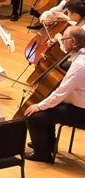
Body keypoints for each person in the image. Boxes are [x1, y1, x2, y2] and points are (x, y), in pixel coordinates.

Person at [23, 26, 85, 162]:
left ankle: (42, 154)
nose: (62, 42)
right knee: (48, 105)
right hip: (78, 104)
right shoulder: (81, 52)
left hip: (80, 111)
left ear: (73, 41)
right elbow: (66, 49)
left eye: (64, 40)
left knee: (34, 116)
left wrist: (38, 106)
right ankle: (48, 144)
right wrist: (57, 42)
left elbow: (61, 93)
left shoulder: (80, 65)